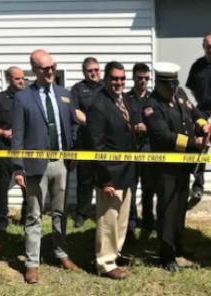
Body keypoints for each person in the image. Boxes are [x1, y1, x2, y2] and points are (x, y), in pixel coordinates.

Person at [12, 49, 79, 284]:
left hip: (60, 163)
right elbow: (17, 134)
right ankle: (32, 263)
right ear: (34, 69)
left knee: (61, 212)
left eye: (52, 66)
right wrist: (18, 166)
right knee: (34, 215)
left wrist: (72, 150)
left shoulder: (64, 94)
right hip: (34, 165)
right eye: (44, 68)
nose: (50, 71)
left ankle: (61, 252)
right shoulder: (23, 97)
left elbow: (72, 125)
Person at [143, 62, 209, 271]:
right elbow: (162, 137)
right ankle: (166, 255)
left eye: (175, 84)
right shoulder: (152, 105)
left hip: (184, 165)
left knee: (180, 206)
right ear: (160, 84)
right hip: (166, 167)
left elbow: (194, 111)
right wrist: (193, 143)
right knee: (167, 209)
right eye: (168, 86)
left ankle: (178, 245)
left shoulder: (179, 93)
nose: (173, 89)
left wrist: (203, 124)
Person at [86, 61, 137, 280]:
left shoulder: (124, 100)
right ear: (106, 79)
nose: (119, 83)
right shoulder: (98, 105)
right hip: (110, 175)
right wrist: (106, 180)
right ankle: (105, 263)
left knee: (122, 219)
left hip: (127, 172)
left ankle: (115, 253)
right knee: (108, 220)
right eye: (115, 78)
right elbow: (96, 146)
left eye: (122, 79)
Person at [0, 66, 28, 236]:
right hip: (5, 150)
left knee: (28, 187)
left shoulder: (30, 98)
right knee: (1, 187)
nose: (22, 81)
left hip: (26, 151)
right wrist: (2, 132)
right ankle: (1, 223)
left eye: (23, 78)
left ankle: (27, 219)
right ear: (9, 79)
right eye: (17, 78)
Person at [186, 32, 211, 209]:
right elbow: (192, 89)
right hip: (202, 113)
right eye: (208, 46)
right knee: (200, 150)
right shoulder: (196, 66)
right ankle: (198, 188)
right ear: (204, 47)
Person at [70, 57, 104, 228]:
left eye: (97, 70)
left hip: (105, 142)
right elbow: (74, 111)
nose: (94, 73)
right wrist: (92, 123)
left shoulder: (106, 86)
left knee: (105, 177)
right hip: (85, 141)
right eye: (90, 70)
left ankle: (103, 213)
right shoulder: (77, 89)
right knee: (85, 180)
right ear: (84, 72)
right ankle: (82, 213)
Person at [124, 63, 155, 239]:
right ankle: (130, 224)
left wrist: (148, 127)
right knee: (131, 188)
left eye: (145, 78)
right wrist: (134, 127)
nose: (143, 81)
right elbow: (121, 120)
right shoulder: (126, 98)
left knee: (149, 189)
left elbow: (160, 124)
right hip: (131, 147)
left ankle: (148, 223)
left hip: (149, 149)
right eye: (139, 78)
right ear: (133, 78)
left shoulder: (153, 99)